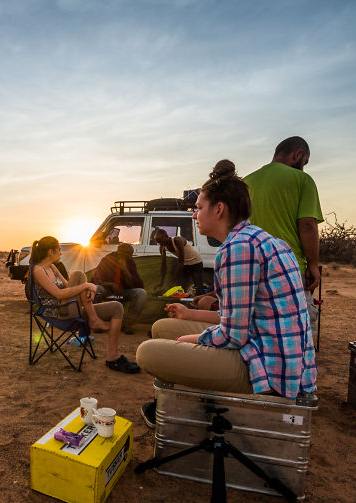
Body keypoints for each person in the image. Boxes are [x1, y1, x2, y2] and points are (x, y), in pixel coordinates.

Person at [136, 160, 317, 425]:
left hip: (269, 367)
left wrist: (192, 339)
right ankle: (183, 405)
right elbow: (238, 316)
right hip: (280, 355)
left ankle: (185, 412)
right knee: (163, 327)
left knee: (147, 352)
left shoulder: (237, 249)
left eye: (198, 208)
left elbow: (233, 335)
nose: (195, 215)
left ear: (219, 209)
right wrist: (190, 314)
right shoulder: (264, 239)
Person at [244, 136, 323, 340]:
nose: (303, 167)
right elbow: (307, 224)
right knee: (295, 335)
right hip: (289, 269)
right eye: (304, 162)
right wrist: (313, 264)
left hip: (249, 267)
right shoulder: (302, 180)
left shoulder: (246, 182)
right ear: (298, 155)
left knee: (255, 331)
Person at [30, 236, 140, 374]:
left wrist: (87, 288)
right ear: (50, 252)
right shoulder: (38, 270)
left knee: (117, 307)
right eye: (59, 249)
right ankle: (94, 319)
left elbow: (67, 286)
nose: (61, 252)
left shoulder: (52, 267)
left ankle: (113, 356)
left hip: (73, 307)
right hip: (57, 312)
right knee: (79, 275)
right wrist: (87, 285)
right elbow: (59, 294)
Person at [91, 243, 147, 335]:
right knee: (97, 289)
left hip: (123, 293)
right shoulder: (107, 260)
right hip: (108, 291)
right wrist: (111, 284)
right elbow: (95, 279)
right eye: (127, 255)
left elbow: (138, 284)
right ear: (119, 253)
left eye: (130, 255)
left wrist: (124, 269)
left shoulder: (130, 262)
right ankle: (97, 322)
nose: (129, 257)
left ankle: (127, 323)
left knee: (142, 293)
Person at [154, 229, 205, 295]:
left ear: (166, 236)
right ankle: (183, 303)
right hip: (185, 264)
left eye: (161, 241)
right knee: (180, 289)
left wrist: (174, 280)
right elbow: (164, 265)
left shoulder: (177, 241)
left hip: (196, 262)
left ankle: (201, 302)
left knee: (199, 287)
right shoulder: (162, 247)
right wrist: (161, 282)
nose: (161, 244)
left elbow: (181, 261)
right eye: (159, 242)